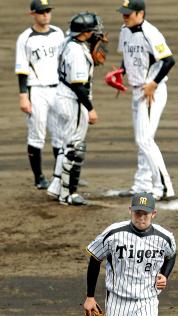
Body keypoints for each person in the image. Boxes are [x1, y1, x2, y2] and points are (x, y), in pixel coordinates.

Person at [116, 0, 176, 201]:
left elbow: (169, 60)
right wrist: (120, 71)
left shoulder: (151, 33)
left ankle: (164, 186)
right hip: (137, 91)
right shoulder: (124, 30)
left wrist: (154, 83)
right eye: (123, 13)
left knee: (144, 139)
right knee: (142, 140)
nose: (125, 17)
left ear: (140, 13)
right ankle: (142, 184)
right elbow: (126, 57)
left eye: (128, 13)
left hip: (151, 93)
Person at [46, 12, 101, 205]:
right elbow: (79, 85)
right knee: (74, 147)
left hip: (60, 95)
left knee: (66, 143)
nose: (96, 33)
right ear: (85, 33)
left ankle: (55, 187)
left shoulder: (67, 42)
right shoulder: (77, 52)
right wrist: (91, 109)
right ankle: (67, 194)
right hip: (72, 101)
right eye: (93, 31)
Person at [15, 0, 64, 189]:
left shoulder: (58, 33)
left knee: (61, 136)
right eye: (42, 12)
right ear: (32, 14)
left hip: (58, 90)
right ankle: (39, 178)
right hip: (36, 91)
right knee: (37, 135)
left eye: (48, 11)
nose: (45, 15)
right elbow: (22, 68)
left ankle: (60, 176)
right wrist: (23, 95)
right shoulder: (25, 38)